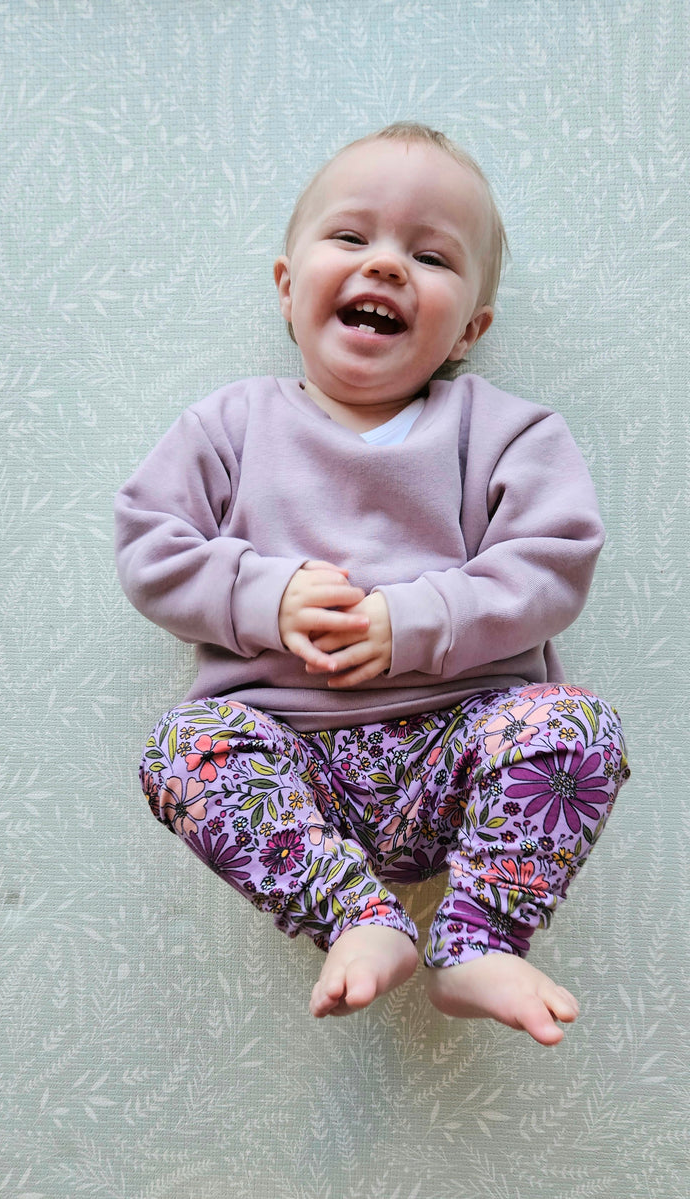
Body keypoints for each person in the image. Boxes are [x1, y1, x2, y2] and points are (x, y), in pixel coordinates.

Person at [115, 122, 629, 1046]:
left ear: (471, 326)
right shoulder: (231, 425)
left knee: (578, 728)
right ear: (287, 285)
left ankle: (477, 935)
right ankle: (356, 918)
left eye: (429, 255)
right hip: (293, 761)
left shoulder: (506, 431)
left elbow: (552, 565)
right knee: (182, 748)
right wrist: (259, 596)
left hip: (462, 749)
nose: (386, 266)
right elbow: (150, 546)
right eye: (352, 238)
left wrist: (414, 617)